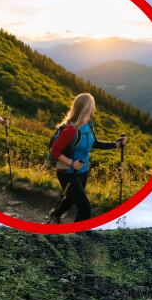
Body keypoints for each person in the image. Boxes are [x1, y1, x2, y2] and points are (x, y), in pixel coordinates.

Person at [48, 93, 126, 223]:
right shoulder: (71, 130)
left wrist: (116, 144)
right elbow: (54, 150)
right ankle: (75, 236)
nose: (94, 107)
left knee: (71, 198)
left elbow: (94, 143)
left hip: (83, 171)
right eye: (92, 105)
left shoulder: (88, 123)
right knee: (85, 209)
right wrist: (72, 163)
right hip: (68, 173)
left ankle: (55, 215)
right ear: (86, 108)